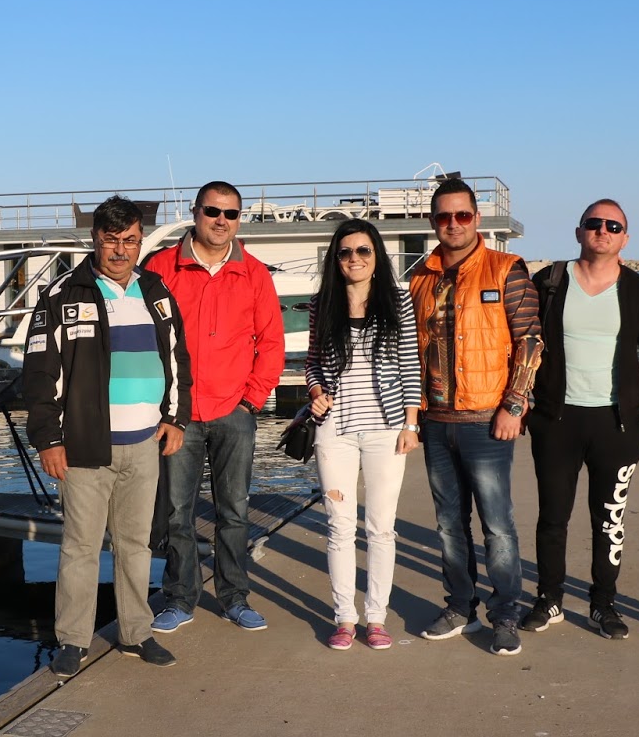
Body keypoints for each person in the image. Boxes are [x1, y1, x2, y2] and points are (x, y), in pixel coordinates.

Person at [23, 195, 193, 677]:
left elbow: (178, 359)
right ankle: (73, 639)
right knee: (81, 546)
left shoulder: (156, 290)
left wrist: (176, 419)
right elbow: (39, 374)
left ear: (140, 242)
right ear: (94, 239)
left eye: (130, 241)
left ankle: (136, 632)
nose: (121, 250)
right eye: (111, 240)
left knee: (136, 544)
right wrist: (48, 440)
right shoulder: (62, 295)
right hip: (83, 445)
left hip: (144, 443)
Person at [407, 176, 542, 656]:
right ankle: (459, 607)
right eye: (444, 216)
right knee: (448, 524)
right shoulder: (420, 277)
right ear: (432, 221)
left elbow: (530, 341)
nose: (454, 224)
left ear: (476, 218)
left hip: (487, 419)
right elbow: (410, 350)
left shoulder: (506, 269)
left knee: (497, 525)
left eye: (462, 214)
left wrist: (514, 405)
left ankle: (505, 614)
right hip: (436, 420)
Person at [144, 181, 285, 634]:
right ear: (196, 212)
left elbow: (272, 342)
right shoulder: (161, 267)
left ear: (239, 219)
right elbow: (142, 337)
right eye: (212, 211)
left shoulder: (254, 273)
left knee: (234, 511)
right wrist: (159, 403)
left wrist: (251, 401)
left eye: (231, 213)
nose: (221, 221)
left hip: (233, 411)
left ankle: (234, 598)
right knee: (176, 513)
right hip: (177, 415)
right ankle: (179, 598)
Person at [523, 199, 639, 641]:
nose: (603, 231)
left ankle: (604, 605)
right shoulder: (550, 281)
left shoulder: (638, 290)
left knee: (609, 521)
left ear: (625, 238)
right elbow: (523, 339)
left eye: (613, 226)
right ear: (579, 231)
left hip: (616, 425)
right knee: (552, 518)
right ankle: (549, 599)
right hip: (556, 420)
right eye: (594, 223)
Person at [303, 220, 421, 650]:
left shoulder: (398, 301)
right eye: (345, 252)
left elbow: (410, 364)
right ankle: (344, 618)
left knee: (381, 527)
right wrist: (316, 392)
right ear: (336, 259)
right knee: (338, 526)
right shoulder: (323, 304)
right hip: (335, 429)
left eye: (363, 251)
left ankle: (376, 617)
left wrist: (411, 424)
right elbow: (313, 363)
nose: (354, 259)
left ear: (376, 256)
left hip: (386, 429)